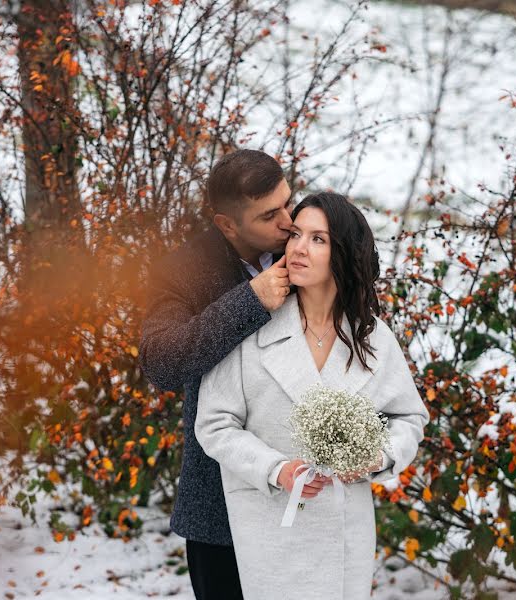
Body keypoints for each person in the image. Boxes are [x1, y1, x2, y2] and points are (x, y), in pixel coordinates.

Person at [195, 192, 430, 600]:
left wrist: (378, 455)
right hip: (269, 523)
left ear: (344, 253)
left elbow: (409, 418)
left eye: (318, 239)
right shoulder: (251, 325)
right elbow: (214, 423)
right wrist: (276, 469)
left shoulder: (373, 338)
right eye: (296, 234)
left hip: (344, 530)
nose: (300, 248)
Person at [139, 149, 295, 600]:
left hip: (305, 492)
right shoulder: (180, 270)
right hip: (219, 502)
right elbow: (161, 364)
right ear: (227, 224)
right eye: (270, 215)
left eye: (288, 201)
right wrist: (250, 301)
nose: (288, 221)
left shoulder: (306, 242)